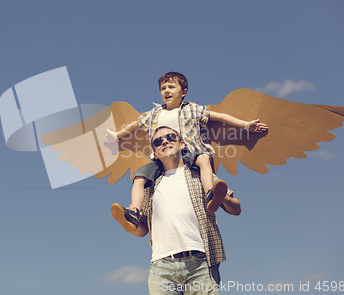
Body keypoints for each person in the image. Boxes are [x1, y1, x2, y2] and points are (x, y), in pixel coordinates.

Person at [105, 72, 267, 233]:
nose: (166, 91)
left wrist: (246, 125)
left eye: (171, 87)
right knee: (140, 176)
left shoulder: (193, 109)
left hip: (188, 153)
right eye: (163, 88)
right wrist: (116, 136)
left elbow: (220, 117)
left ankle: (210, 192)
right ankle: (134, 211)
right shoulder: (153, 114)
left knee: (203, 158)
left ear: (183, 92)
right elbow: (134, 125)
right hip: (160, 159)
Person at [132, 126, 239, 294]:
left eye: (170, 137)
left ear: (182, 144)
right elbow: (143, 231)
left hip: (200, 264)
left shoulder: (199, 174)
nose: (165, 141)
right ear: (154, 153)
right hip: (162, 267)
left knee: (212, 191)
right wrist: (133, 224)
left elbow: (236, 208)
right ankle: (130, 217)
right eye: (158, 141)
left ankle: (212, 195)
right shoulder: (151, 186)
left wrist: (222, 197)